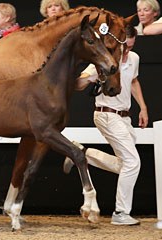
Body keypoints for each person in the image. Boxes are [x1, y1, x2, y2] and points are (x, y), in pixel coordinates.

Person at [63, 25, 148, 226]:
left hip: (125, 117)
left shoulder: (134, 58)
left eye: (130, 47)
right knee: (133, 163)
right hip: (106, 115)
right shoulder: (103, 61)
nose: (127, 51)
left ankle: (81, 154)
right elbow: (80, 85)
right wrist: (84, 78)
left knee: (126, 165)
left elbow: (134, 81)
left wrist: (143, 108)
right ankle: (120, 213)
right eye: (124, 47)